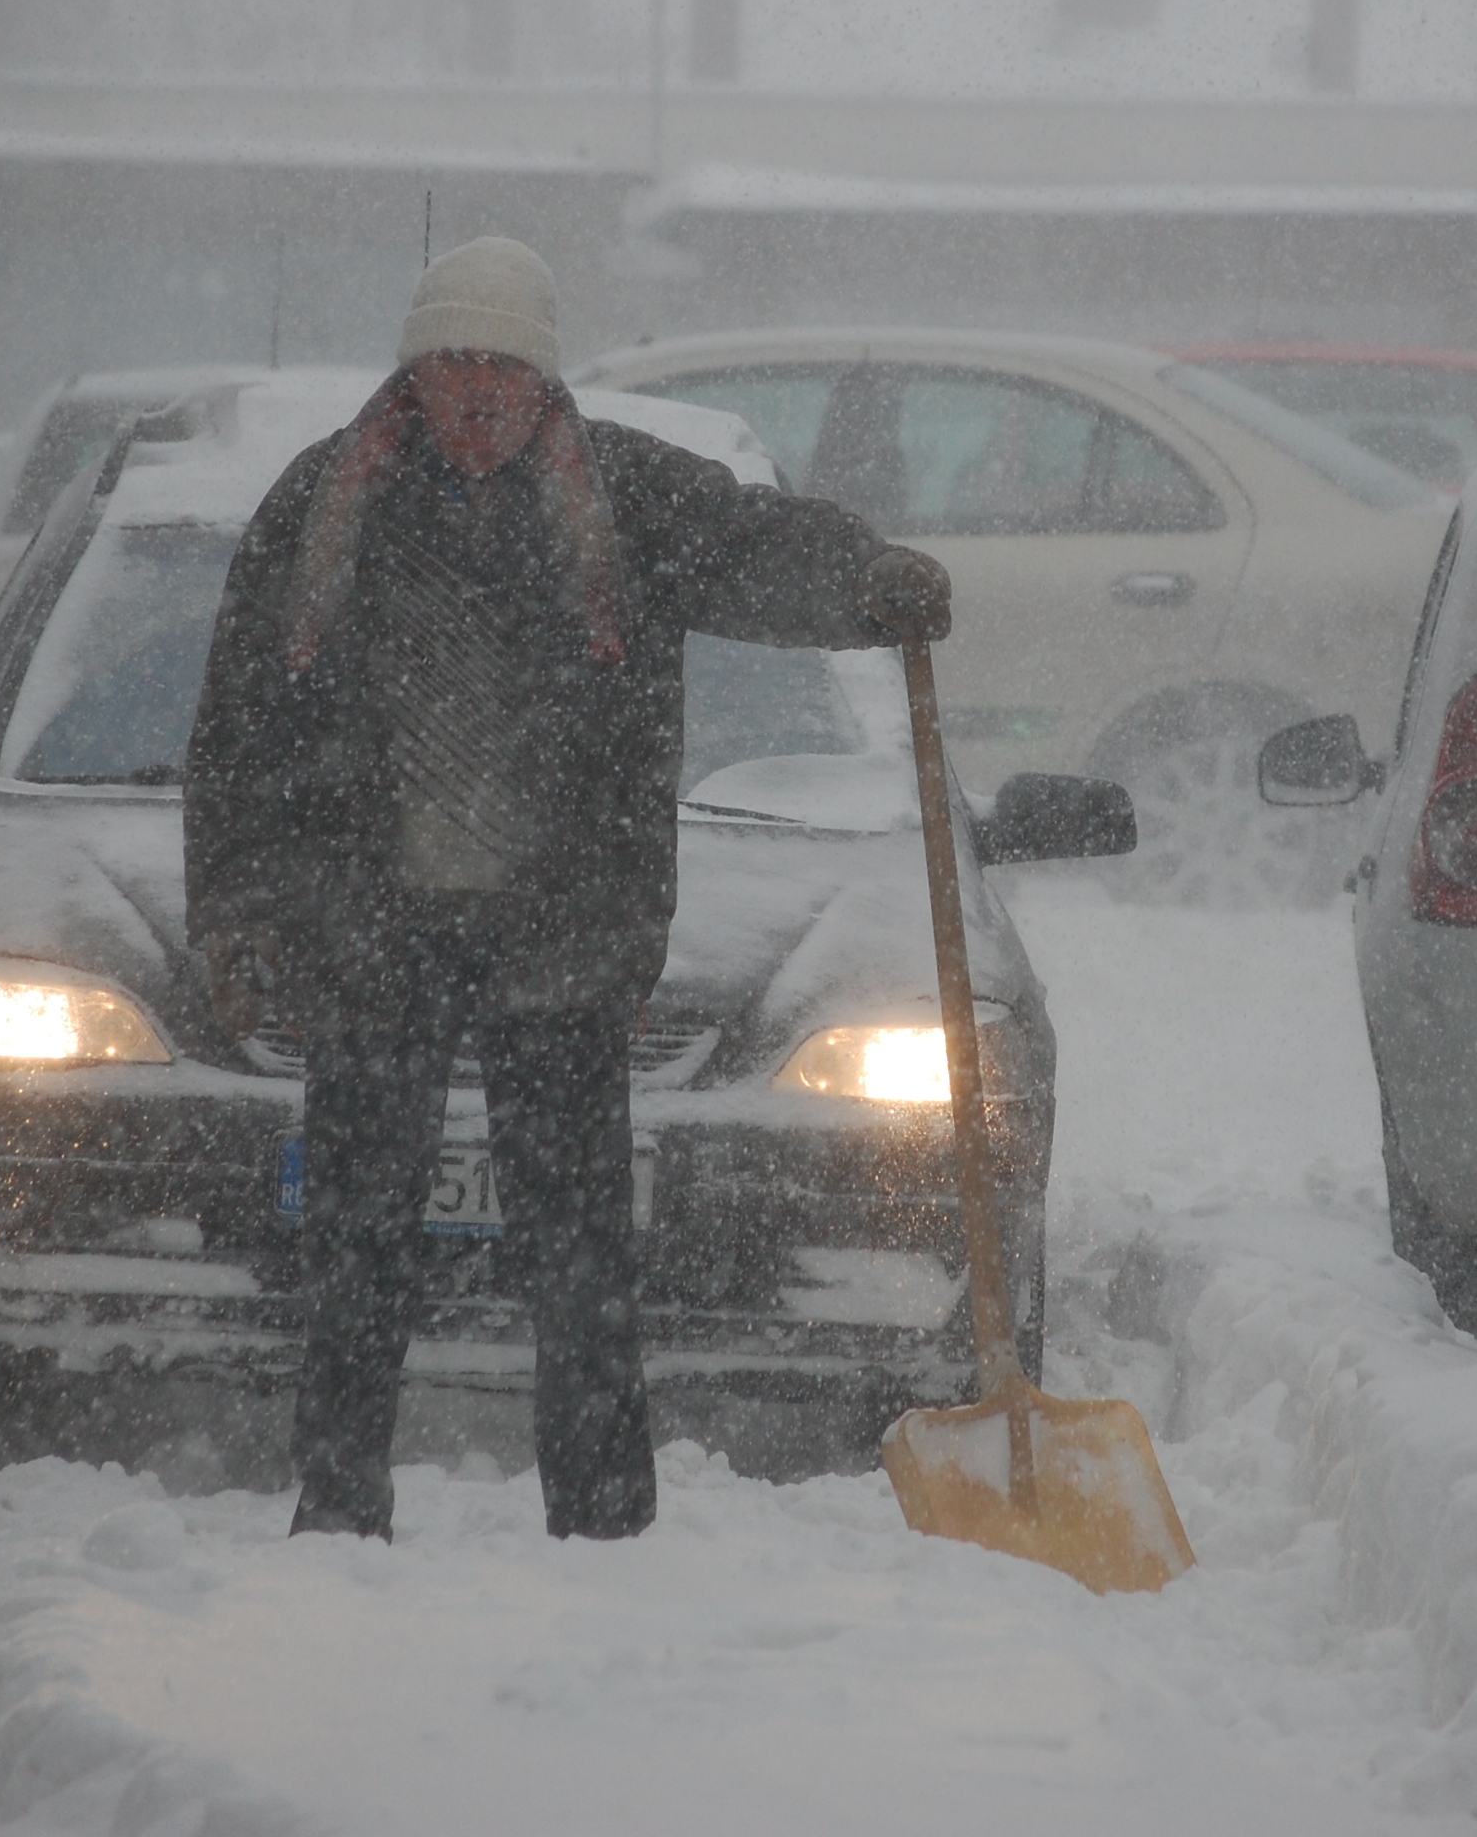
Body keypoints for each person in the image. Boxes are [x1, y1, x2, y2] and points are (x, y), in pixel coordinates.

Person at [183, 237, 951, 1541]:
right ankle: (340, 1506)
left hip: (560, 932)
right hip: (373, 933)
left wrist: (869, 581)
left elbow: (755, 544)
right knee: (359, 1244)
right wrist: (241, 911)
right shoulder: (325, 506)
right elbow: (239, 730)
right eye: (453, 365)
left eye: (504, 367)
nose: (478, 392)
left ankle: (601, 1523)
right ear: (414, 375)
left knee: (579, 1254)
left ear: (544, 380)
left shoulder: (626, 498)